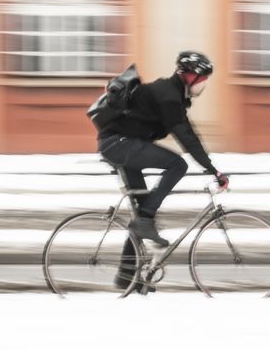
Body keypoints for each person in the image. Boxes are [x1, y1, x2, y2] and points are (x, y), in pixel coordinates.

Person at [97, 50, 229, 254]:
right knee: (177, 165)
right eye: (202, 78)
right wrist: (214, 171)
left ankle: (130, 278)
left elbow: (190, 135)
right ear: (188, 76)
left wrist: (211, 167)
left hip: (121, 144)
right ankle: (145, 222)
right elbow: (187, 140)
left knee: (142, 215)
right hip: (119, 144)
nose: (204, 83)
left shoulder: (172, 96)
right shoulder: (169, 97)